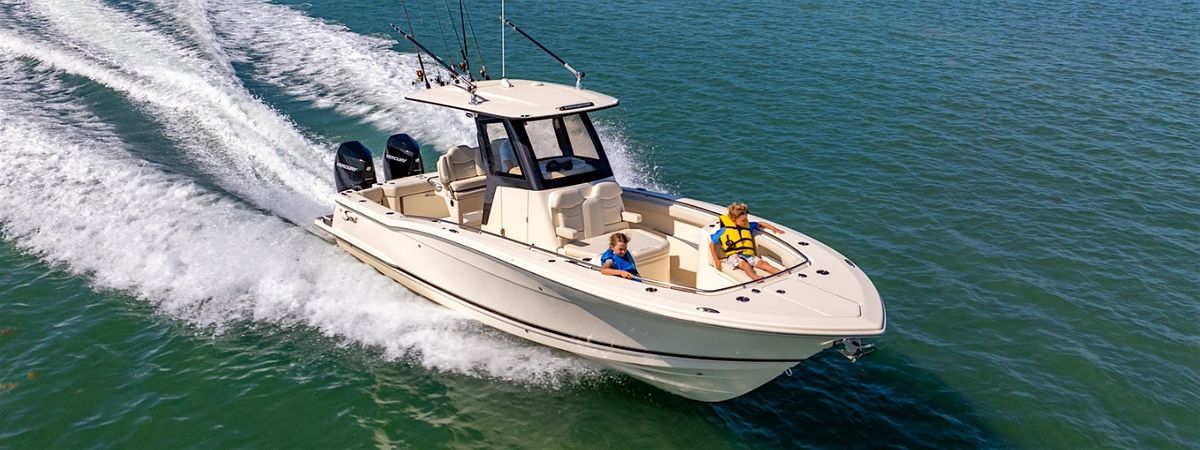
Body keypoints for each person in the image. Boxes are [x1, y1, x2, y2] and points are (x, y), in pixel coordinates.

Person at [709, 202, 783, 280]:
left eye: (746, 219)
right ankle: (755, 277)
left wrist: (774, 228)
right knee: (745, 265)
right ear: (734, 220)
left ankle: (781, 273)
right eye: (743, 220)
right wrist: (716, 260)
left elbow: (761, 224)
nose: (745, 222)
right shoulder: (724, 230)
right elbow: (711, 244)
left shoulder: (748, 226)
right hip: (733, 256)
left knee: (764, 264)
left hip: (748, 255)